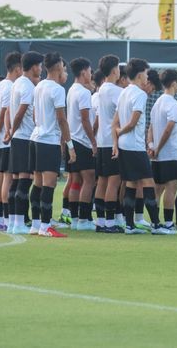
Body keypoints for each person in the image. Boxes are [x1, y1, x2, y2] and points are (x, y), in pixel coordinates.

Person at [112, 58, 175, 235]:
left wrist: (117, 136)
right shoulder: (139, 94)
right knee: (148, 183)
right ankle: (156, 225)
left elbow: (114, 122)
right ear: (140, 75)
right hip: (134, 146)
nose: (148, 77)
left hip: (126, 146)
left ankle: (130, 225)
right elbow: (132, 123)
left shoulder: (124, 92)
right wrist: (121, 132)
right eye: (146, 74)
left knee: (131, 184)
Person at [29, 52, 74, 238]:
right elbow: (62, 119)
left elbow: (34, 115)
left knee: (38, 183)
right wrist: (70, 145)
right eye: (63, 66)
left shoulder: (39, 86)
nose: (64, 70)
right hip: (48, 141)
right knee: (49, 184)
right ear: (57, 67)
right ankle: (46, 226)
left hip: (36, 138)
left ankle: (36, 224)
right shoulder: (57, 89)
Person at [6, 51, 43, 235]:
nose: (41, 69)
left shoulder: (17, 83)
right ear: (34, 66)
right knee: (24, 181)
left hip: (17, 138)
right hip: (24, 137)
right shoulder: (28, 86)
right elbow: (20, 112)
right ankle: (19, 222)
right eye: (40, 65)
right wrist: (12, 130)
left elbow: (9, 112)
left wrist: (10, 132)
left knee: (15, 182)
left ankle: (13, 222)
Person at [0, 52, 23, 231]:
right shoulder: (10, 86)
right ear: (18, 69)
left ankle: (1, 220)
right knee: (7, 179)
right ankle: (7, 220)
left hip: (2, 140)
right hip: (8, 140)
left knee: (0, 178)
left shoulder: (0, 85)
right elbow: (2, 114)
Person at [66, 57, 98, 231]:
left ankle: (76, 219)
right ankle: (84, 220)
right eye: (90, 71)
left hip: (72, 140)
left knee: (76, 180)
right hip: (82, 141)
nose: (91, 75)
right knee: (89, 179)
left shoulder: (71, 89)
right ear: (84, 72)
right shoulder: (84, 93)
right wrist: (93, 142)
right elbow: (85, 119)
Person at [95, 55, 125, 232]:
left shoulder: (101, 90)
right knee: (114, 182)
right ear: (115, 70)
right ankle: (110, 222)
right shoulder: (115, 91)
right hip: (113, 140)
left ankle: (100, 222)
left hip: (101, 141)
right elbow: (122, 115)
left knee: (102, 182)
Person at [148, 69, 177, 232]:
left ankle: (155, 223)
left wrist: (151, 146)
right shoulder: (172, 103)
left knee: (157, 189)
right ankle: (168, 223)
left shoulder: (157, 102)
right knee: (171, 188)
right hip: (169, 154)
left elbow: (151, 127)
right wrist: (158, 148)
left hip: (157, 156)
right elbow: (168, 129)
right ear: (174, 83)